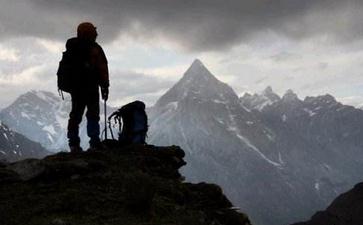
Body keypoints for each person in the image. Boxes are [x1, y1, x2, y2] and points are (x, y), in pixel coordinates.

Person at [66, 22, 109, 152]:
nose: (96, 35)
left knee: (75, 115)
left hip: (76, 88)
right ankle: (94, 142)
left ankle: (73, 144)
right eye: (94, 32)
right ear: (90, 33)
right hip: (91, 87)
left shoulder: (71, 47)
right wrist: (105, 86)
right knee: (93, 114)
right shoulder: (95, 48)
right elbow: (102, 68)